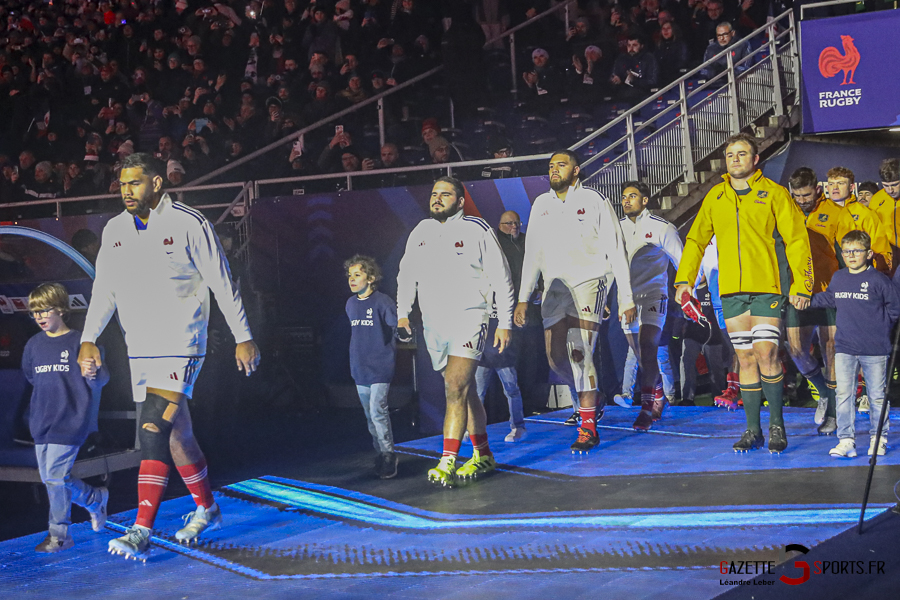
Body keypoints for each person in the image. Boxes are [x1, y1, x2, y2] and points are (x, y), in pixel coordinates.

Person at [78, 153, 260, 560]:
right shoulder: (114, 230)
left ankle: (141, 529)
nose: (127, 190)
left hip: (183, 340)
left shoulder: (189, 223)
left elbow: (221, 280)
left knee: (152, 430)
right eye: (122, 183)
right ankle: (207, 506)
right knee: (179, 434)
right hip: (139, 346)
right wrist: (88, 337)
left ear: (157, 183)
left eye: (135, 182)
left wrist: (243, 335)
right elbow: (104, 288)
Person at [674, 134, 813, 454]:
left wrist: (802, 285)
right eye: (730, 154)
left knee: (766, 354)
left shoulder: (775, 194)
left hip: (767, 289)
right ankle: (753, 430)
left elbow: (796, 240)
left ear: (755, 159)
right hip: (732, 292)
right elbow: (695, 240)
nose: (735, 159)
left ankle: (777, 426)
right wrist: (685, 281)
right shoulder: (716, 196)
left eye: (742, 153)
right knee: (746, 358)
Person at [515, 150, 636, 453]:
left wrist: (625, 297)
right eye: (551, 166)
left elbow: (616, 249)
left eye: (561, 165)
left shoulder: (594, 200)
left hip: (589, 284)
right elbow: (533, 254)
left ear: (577, 170)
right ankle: (593, 396)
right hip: (554, 290)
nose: (554, 169)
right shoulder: (541, 204)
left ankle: (588, 428)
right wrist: (522, 297)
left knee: (580, 353)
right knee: (557, 359)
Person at [397, 176, 514, 486]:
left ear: (460, 202)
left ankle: (447, 460)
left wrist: (504, 322)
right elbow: (406, 274)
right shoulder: (421, 231)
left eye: (445, 194)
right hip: (434, 324)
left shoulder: (478, 229)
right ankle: (484, 455)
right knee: (466, 391)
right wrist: (402, 314)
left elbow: (502, 278)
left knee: (455, 386)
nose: (437, 198)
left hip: (470, 317)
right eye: (434, 193)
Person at [22, 283, 110, 553]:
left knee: (56, 477)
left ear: (60, 308)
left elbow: (102, 379)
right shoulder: (34, 344)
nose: (39, 317)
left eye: (44, 310)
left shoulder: (80, 342)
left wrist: (93, 373)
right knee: (54, 478)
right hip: (42, 423)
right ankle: (95, 498)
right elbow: (31, 377)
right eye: (34, 312)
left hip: (71, 420)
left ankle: (60, 535)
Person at [807, 231, 900, 458]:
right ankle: (846, 440)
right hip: (845, 348)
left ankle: (878, 438)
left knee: (877, 396)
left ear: (868, 254)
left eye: (856, 251)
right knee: (844, 394)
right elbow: (830, 298)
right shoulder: (839, 277)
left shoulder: (879, 280)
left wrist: (880, 330)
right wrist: (806, 300)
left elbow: (894, 309)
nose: (851, 255)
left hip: (875, 349)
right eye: (847, 251)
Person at [617, 182, 683, 430]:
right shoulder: (616, 229)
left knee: (648, 347)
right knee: (640, 354)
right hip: (626, 299)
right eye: (624, 197)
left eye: (632, 196)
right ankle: (657, 393)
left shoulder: (661, 227)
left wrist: (688, 290)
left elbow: (682, 261)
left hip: (655, 295)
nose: (626, 201)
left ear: (644, 200)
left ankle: (645, 409)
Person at [785, 167, 841, 434]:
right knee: (795, 348)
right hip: (799, 292)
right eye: (797, 195)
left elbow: (846, 252)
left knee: (830, 351)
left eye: (806, 195)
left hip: (829, 293)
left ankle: (832, 414)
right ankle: (825, 393)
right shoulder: (787, 211)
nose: (802, 200)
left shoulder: (835, 213)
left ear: (818, 189)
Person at [475, 211, 529, 443]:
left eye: (517, 223)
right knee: (476, 391)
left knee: (511, 387)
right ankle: (473, 429)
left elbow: (510, 307)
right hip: (482, 345)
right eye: (509, 223)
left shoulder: (505, 286)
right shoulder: (478, 283)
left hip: (501, 344)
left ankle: (518, 426)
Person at [345, 255, 399, 479]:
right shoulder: (350, 303)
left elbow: (396, 328)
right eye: (350, 275)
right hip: (360, 367)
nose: (352, 279)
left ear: (372, 277)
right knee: (369, 415)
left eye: (357, 275)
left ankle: (388, 454)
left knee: (378, 412)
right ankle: (379, 452)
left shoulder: (382, 301)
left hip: (380, 366)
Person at [827, 166, 892, 274]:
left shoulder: (865, 214)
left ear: (852, 187)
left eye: (841, 183)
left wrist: (879, 276)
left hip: (856, 277)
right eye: (831, 184)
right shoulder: (817, 213)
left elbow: (881, 250)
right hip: (824, 281)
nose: (835, 187)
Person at [610, 35, 659, 104]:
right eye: (629, 45)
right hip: (622, 94)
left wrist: (634, 80)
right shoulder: (621, 58)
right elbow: (613, 76)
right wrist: (616, 80)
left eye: (634, 45)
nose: (631, 48)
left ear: (641, 46)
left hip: (643, 94)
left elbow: (652, 81)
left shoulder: (648, 58)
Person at [870, 158, 900, 271]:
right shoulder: (876, 199)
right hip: (885, 259)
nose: (890, 190)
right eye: (886, 185)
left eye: (895, 184)